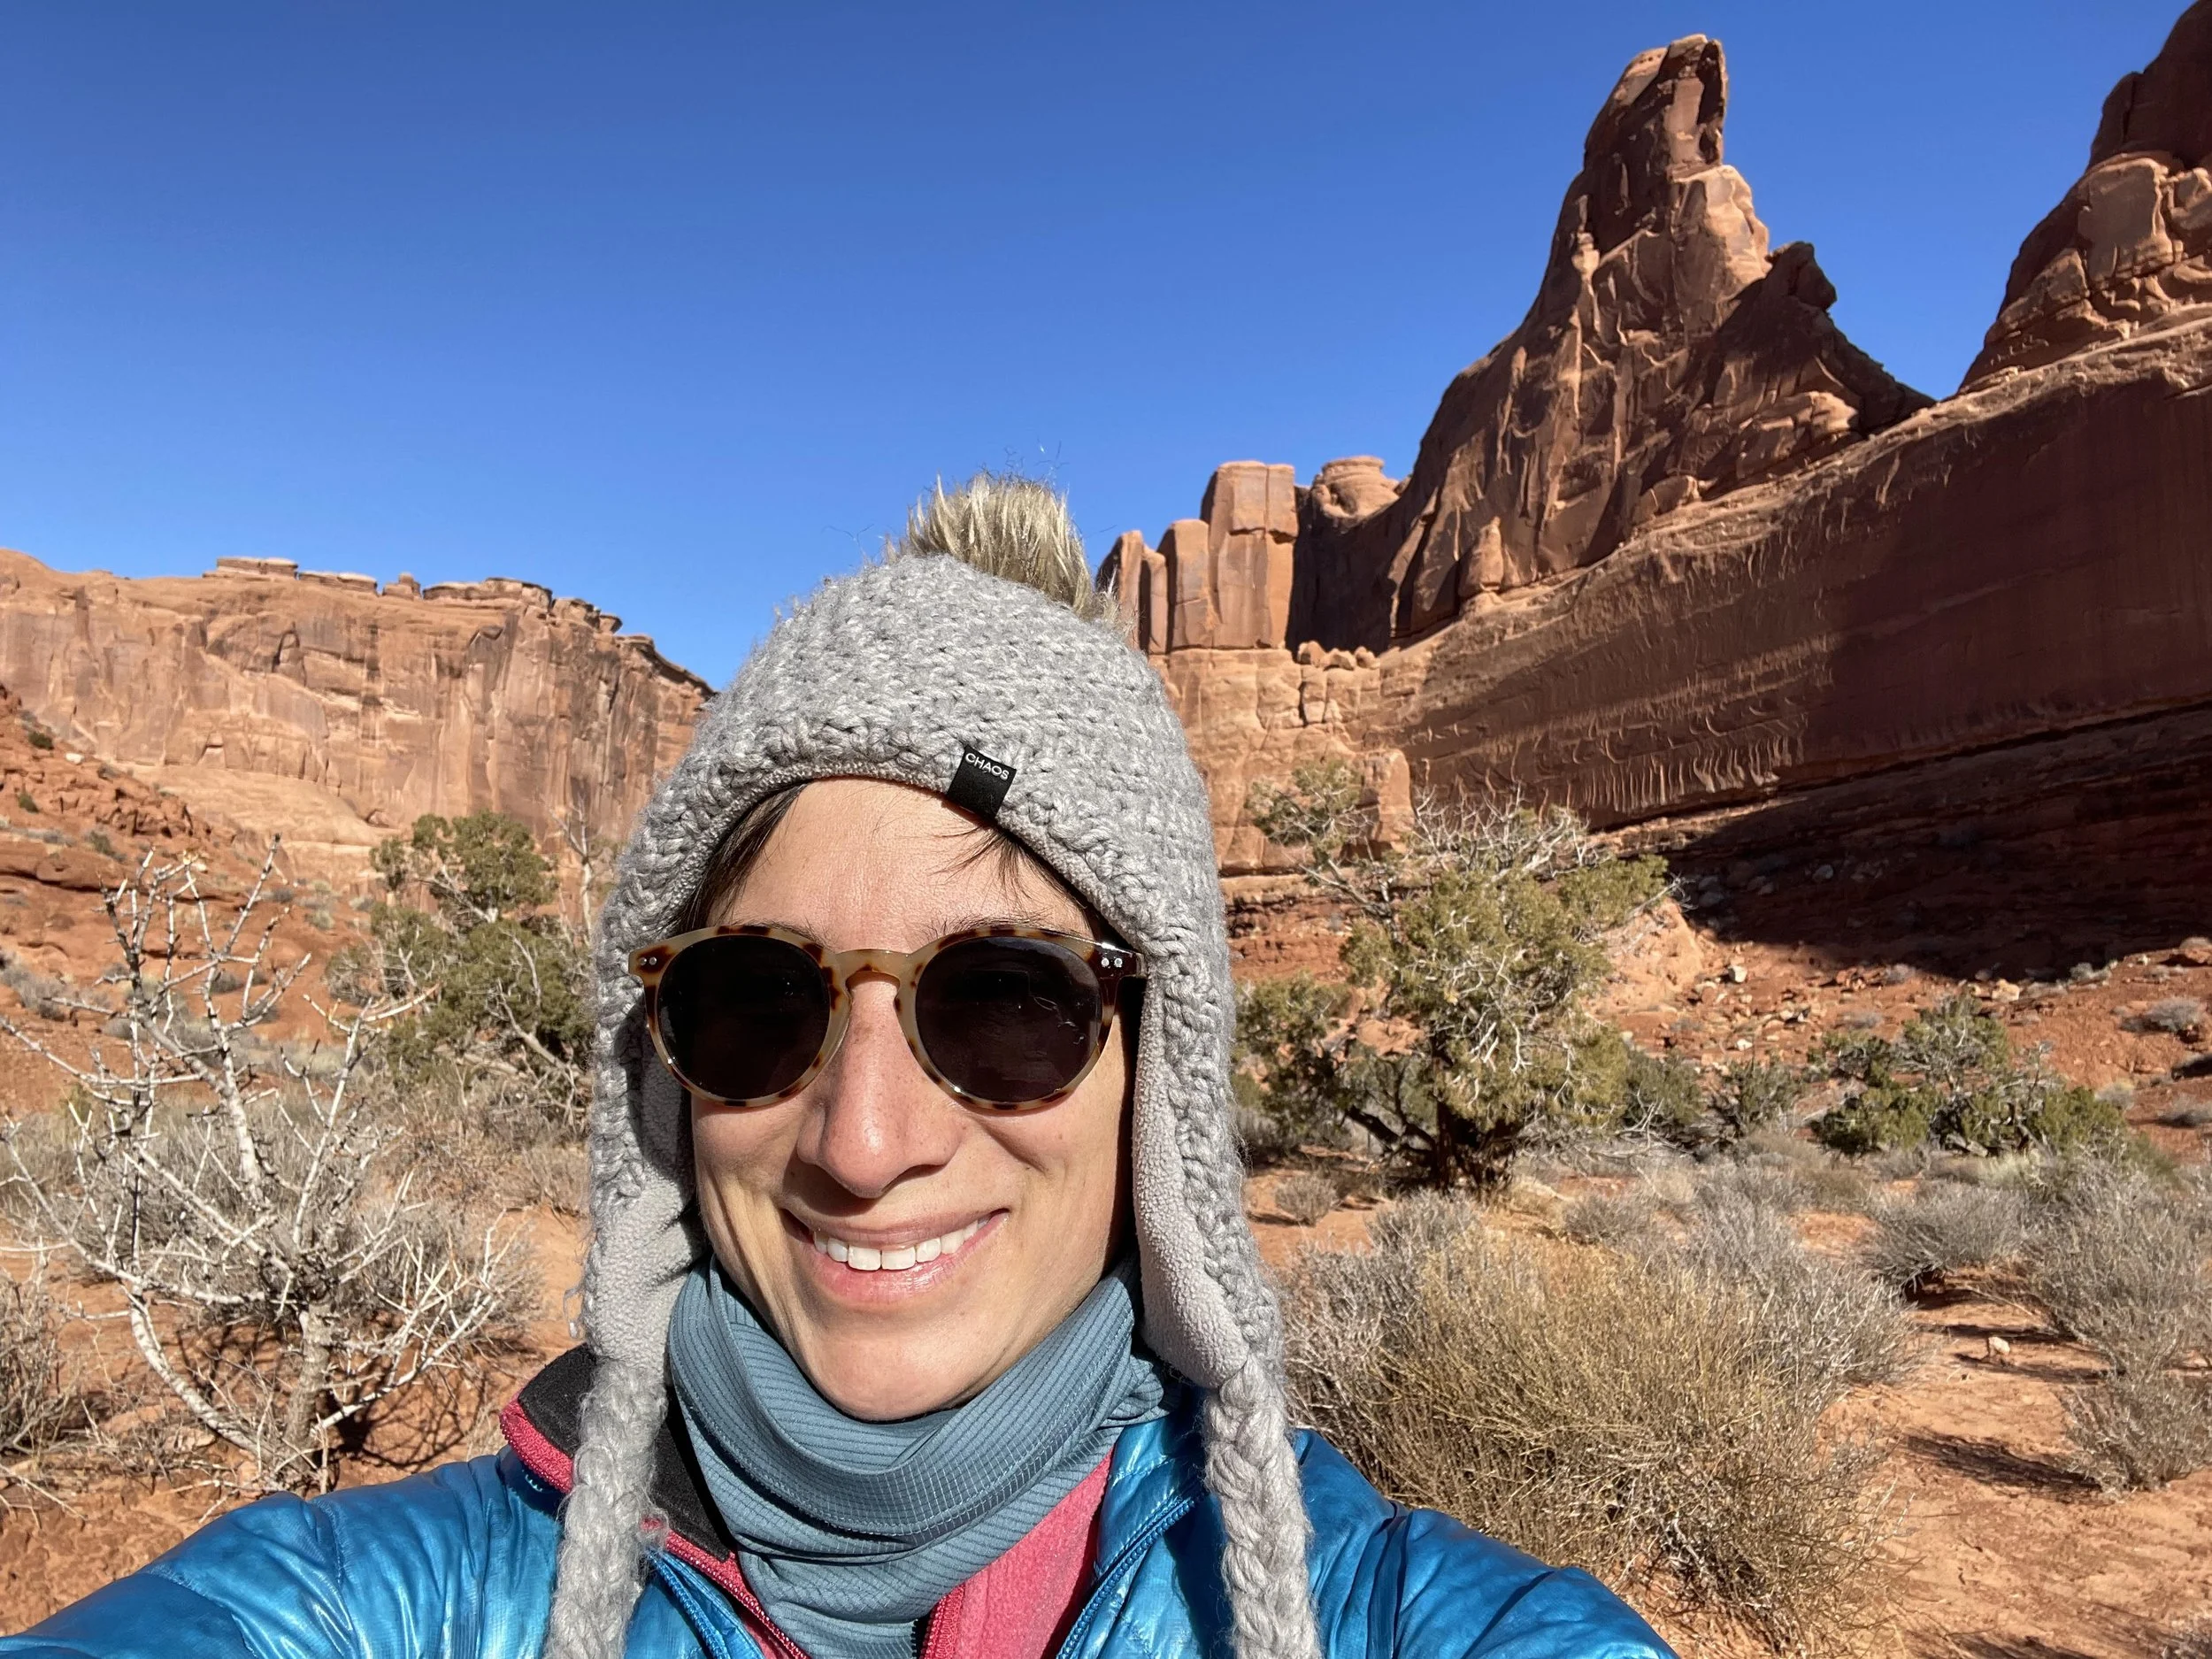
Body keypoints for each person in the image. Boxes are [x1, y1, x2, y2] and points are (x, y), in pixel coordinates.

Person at [2, 476, 1675, 1659]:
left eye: (1007, 1001)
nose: (863, 1140)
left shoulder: (1371, 1606)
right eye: (752, 1004)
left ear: (1155, 1070)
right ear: (660, 1072)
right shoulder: (406, 1596)